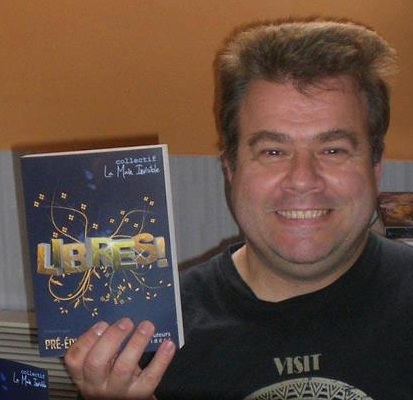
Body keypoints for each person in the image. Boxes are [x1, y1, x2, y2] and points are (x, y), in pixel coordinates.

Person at [65, 17, 413, 400]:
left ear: (375, 165)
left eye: (333, 150)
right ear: (230, 167)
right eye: (273, 152)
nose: (302, 180)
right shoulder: (145, 343)